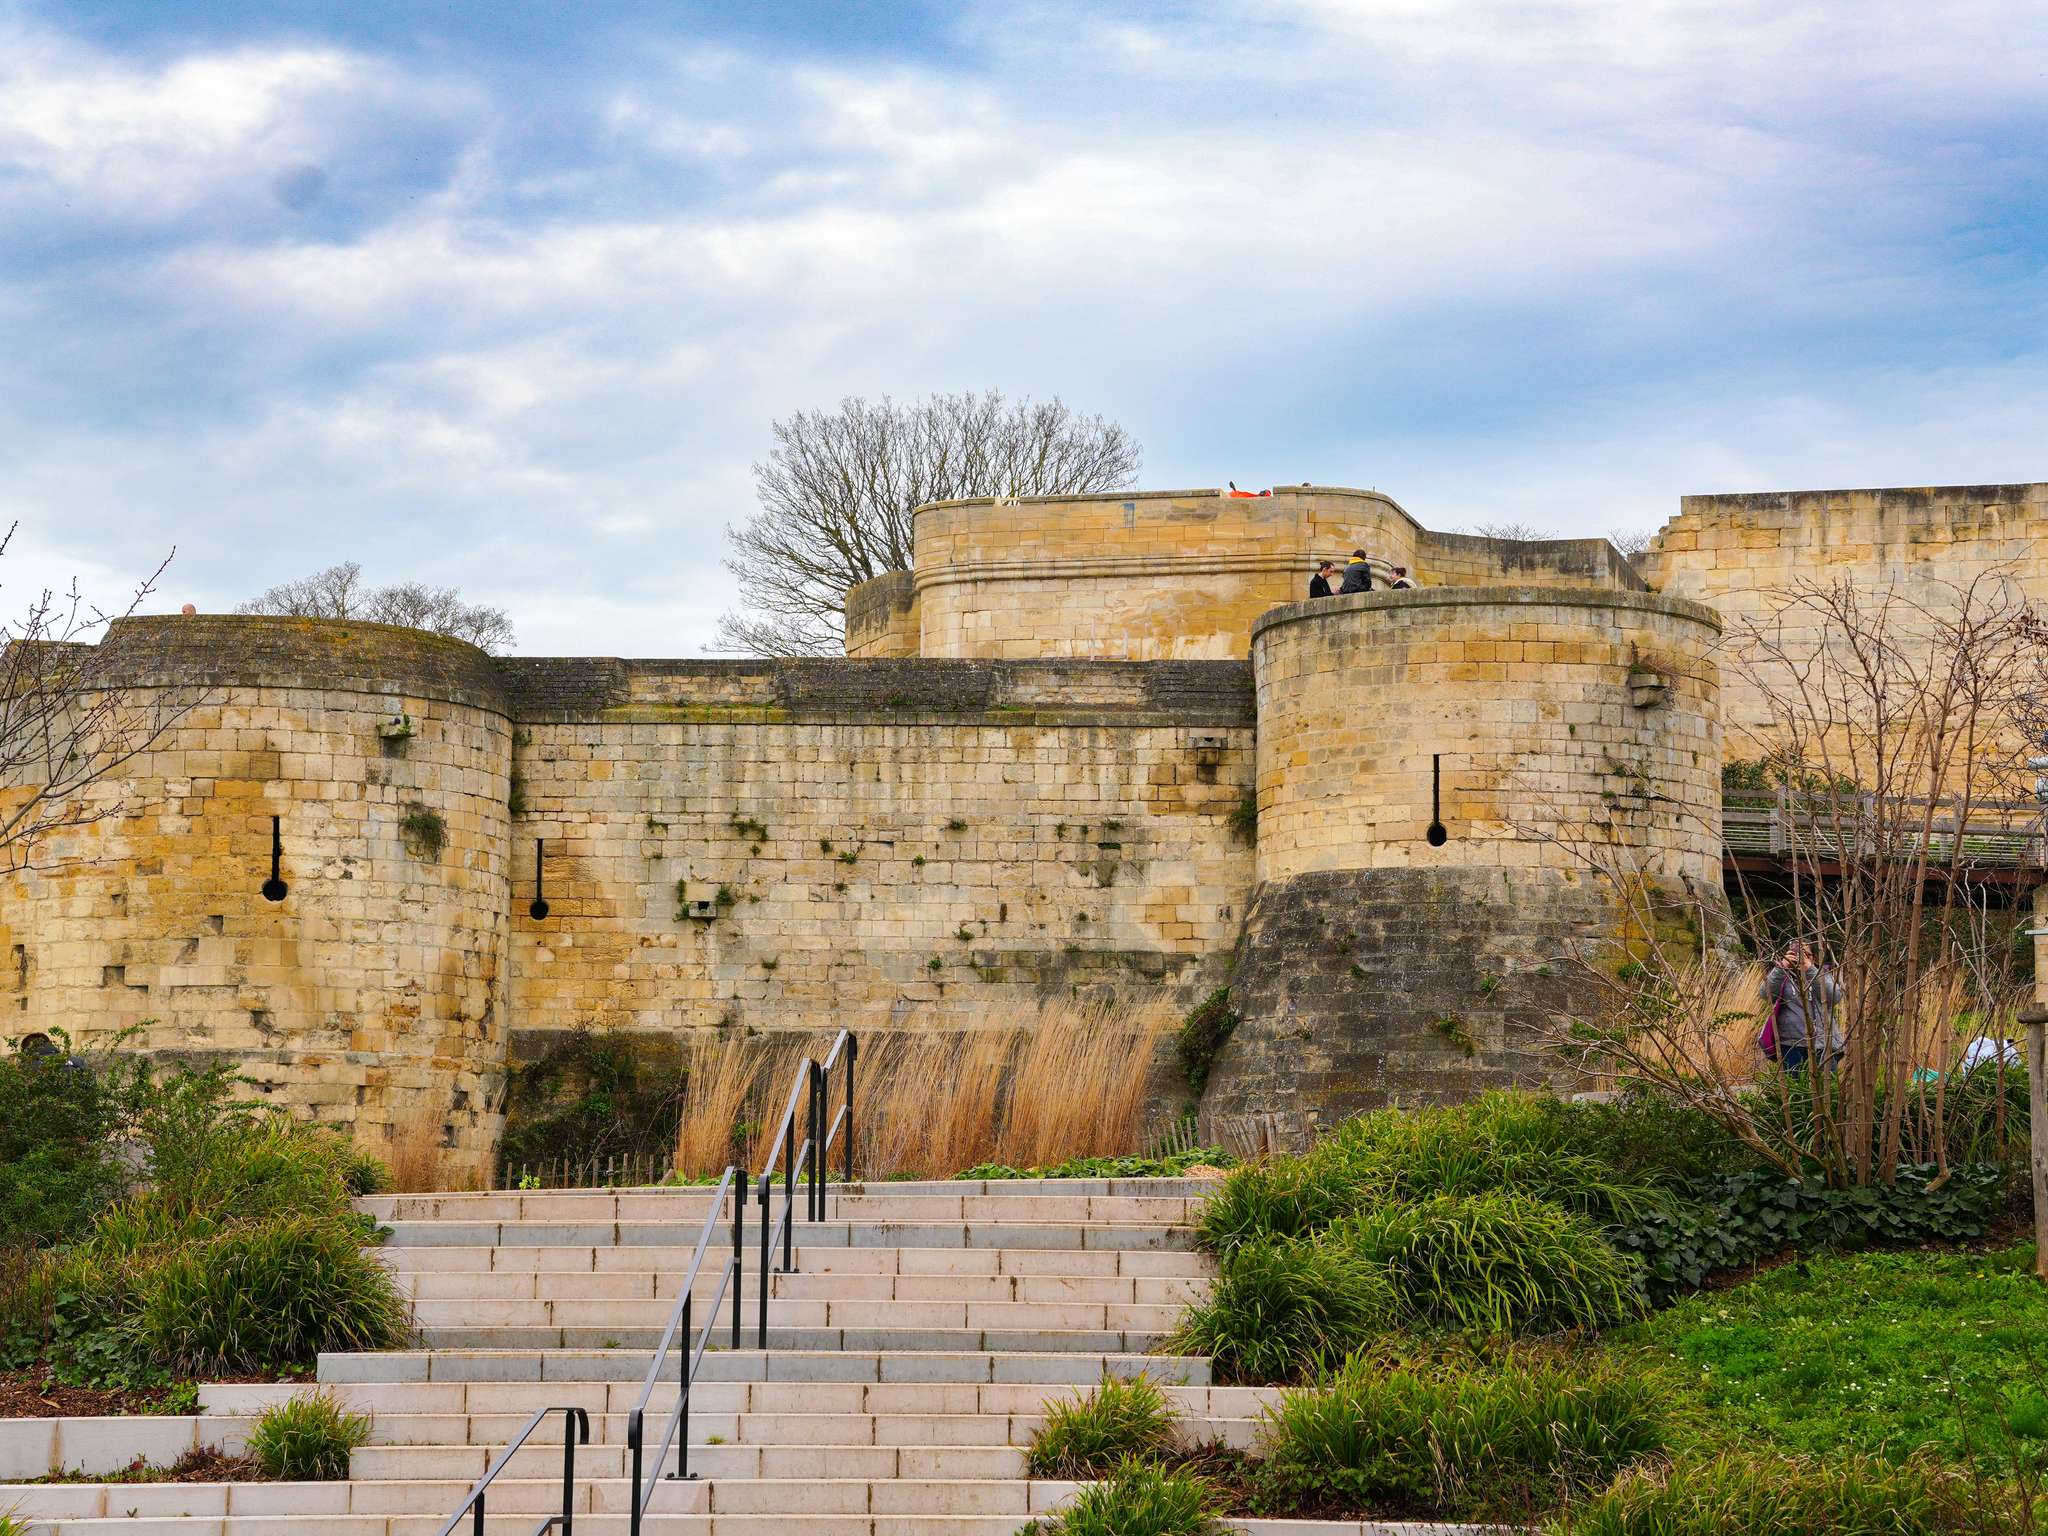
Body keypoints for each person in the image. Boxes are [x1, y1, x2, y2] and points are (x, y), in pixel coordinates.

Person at [1761, 940, 1843, 1072]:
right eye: (1796, 953)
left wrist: (1810, 970)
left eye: (1806, 954)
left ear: (1814, 958)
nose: (1800, 958)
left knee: (1825, 1089)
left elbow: (1834, 997)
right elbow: (1765, 995)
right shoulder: (1782, 975)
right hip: (1791, 1046)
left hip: (1822, 1044)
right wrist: (1782, 966)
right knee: (1795, 1089)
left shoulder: (1822, 974)